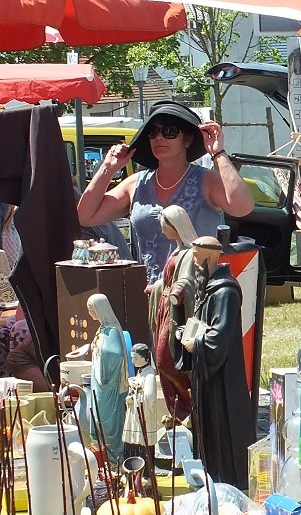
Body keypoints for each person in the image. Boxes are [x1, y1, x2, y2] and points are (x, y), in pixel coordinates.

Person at [76, 100, 254, 284]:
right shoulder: (136, 184)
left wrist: (218, 153)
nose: (159, 138)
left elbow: (242, 207)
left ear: (188, 139)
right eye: (153, 132)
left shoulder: (207, 180)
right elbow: (85, 217)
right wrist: (107, 168)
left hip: (200, 293)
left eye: (169, 131)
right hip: (151, 295)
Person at [179, 236, 255, 489]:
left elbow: (219, 334)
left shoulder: (226, 292)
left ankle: (227, 480)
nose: (192, 260)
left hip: (222, 375)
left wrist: (197, 344)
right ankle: (210, 475)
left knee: (223, 427)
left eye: (196, 255)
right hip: (207, 375)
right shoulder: (208, 288)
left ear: (209, 258)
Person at [149, 205, 197, 421]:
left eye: (164, 227)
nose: (162, 231)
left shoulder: (188, 253)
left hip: (175, 311)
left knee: (166, 360)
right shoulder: (177, 251)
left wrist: (177, 290)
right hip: (165, 307)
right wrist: (158, 286)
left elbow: (188, 280)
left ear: (175, 226)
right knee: (162, 360)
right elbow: (169, 278)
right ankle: (178, 410)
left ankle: (188, 405)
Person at [87, 293, 130, 464]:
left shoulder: (111, 331)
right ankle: (101, 456)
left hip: (107, 384)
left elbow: (115, 354)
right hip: (99, 383)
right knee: (97, 417)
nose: (90, 313)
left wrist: (100, 354)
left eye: (91, 310)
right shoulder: (103, 328)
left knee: (107, 420)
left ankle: (113, 458)